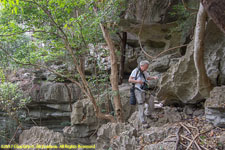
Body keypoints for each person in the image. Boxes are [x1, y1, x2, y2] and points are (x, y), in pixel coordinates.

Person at [128, 60, 158, 128]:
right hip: (137, 90)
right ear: (142, 66)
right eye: (146, 67)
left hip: (144, 90)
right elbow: (130, 80)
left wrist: (153, 78)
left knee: (151, 100)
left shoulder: (144, 72)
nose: (147, 68)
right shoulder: (136, 71)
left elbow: (147, 78)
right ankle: (143, 121)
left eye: (147, 67)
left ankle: (148, 113)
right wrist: (137, 81)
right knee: (141, 105)